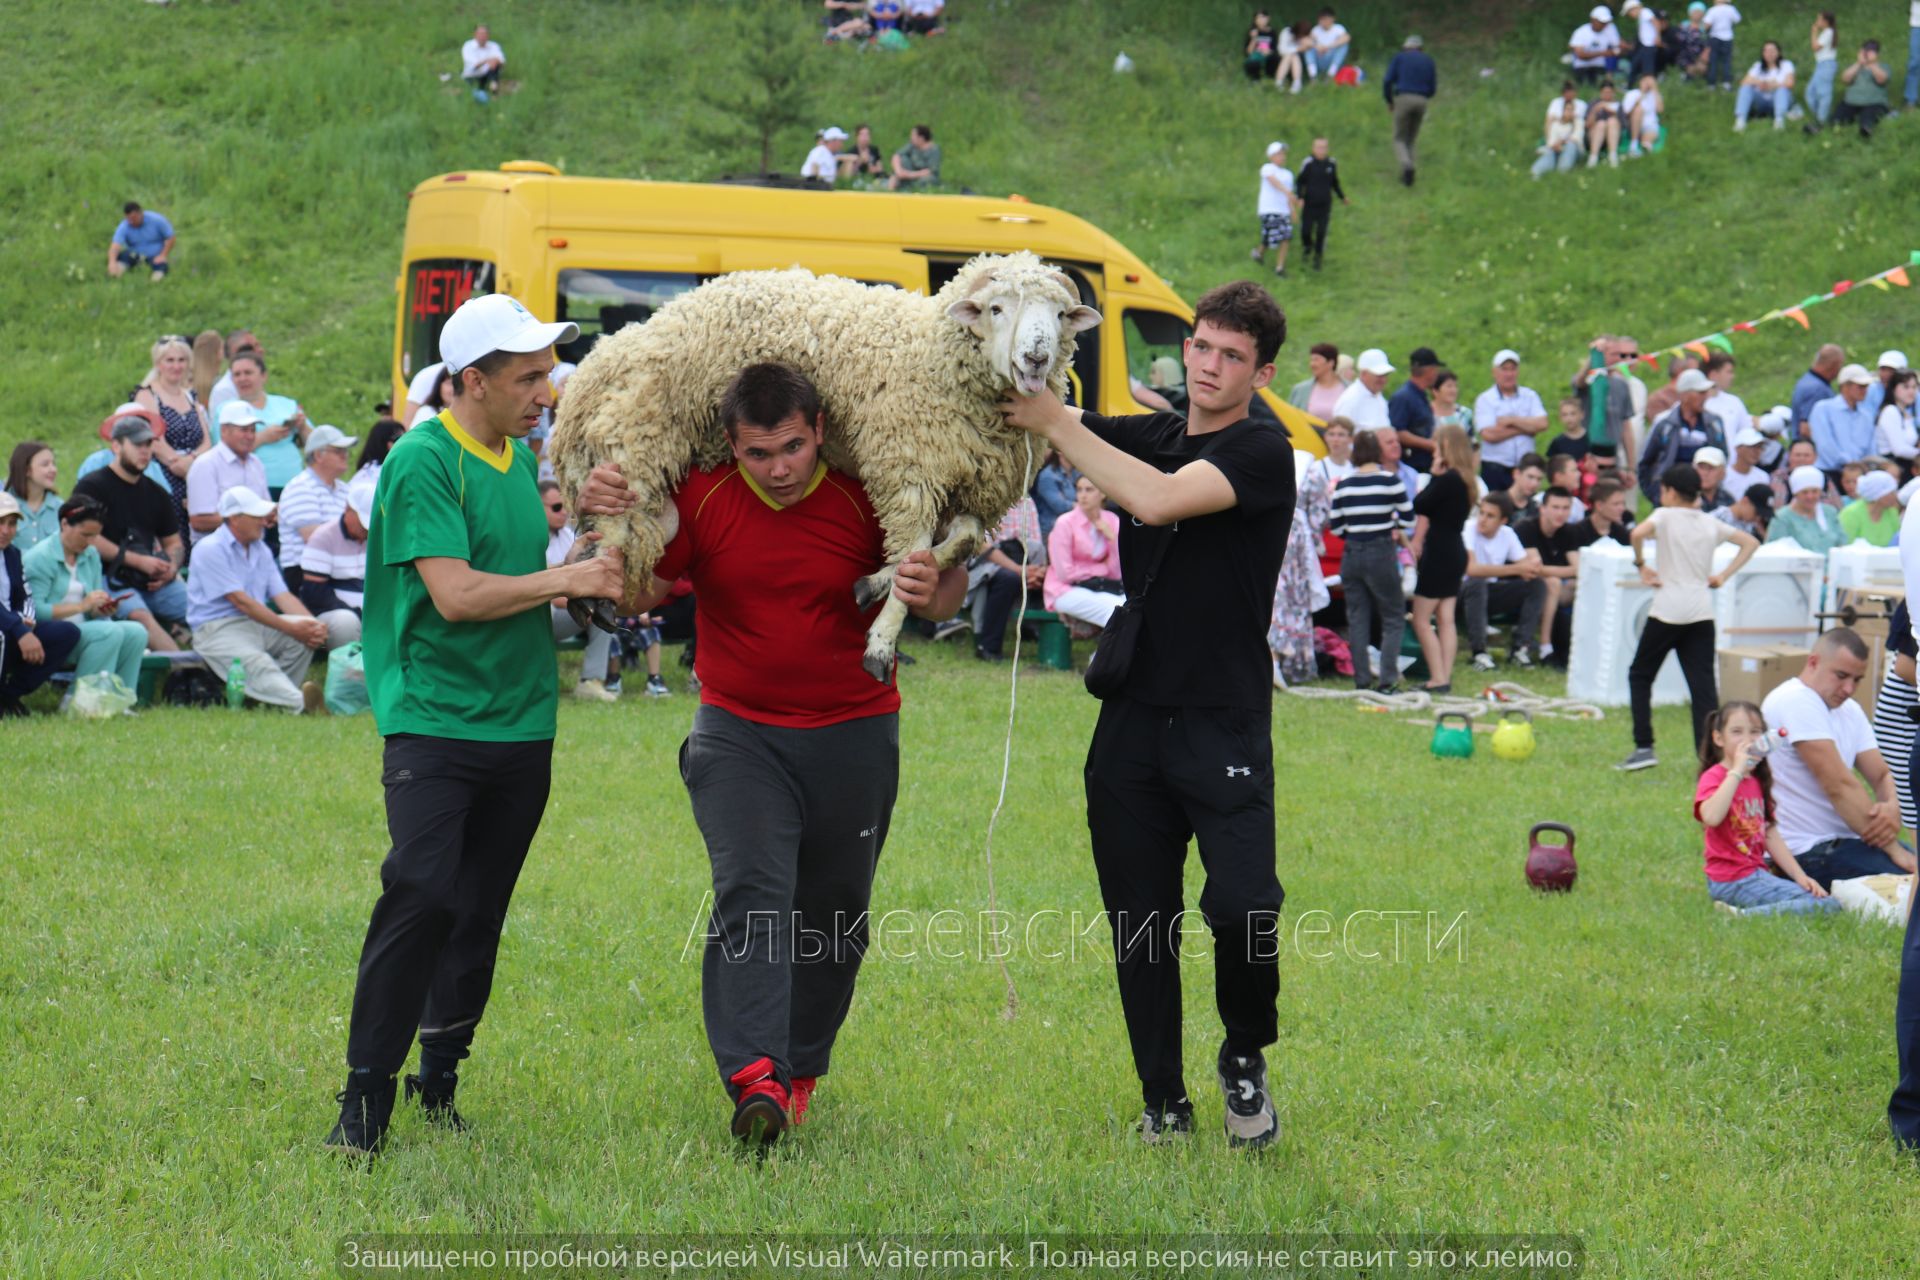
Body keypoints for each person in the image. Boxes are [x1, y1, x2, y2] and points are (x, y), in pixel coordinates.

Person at [577, 361, 967, 1150]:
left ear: (820, 431)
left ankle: (799, 1070)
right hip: (737, 733)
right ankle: (754, 1076)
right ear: (731, 446)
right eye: (759, 454)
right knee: (752, 894)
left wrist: (933, 586)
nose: (780, 468)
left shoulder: (868, 495)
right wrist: (604, 527)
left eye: (792, 447)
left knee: (834, 917)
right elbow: (639, 590)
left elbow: (946, 597)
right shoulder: (705, 496)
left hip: (856, 729)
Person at [995, 280, 1294, 1147]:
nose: (1209, 365)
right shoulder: (1157, 432)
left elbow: (1157, 498)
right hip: (1130, 724)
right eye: (1201, 346)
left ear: (1261, 372)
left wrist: (1059, 423)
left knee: (1244, 909)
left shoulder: (1264, 452)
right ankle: (1161, 1096)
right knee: (1139, 918)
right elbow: (1054, 436)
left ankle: (1243, 1055)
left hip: (1222, 720)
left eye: (1231, 356)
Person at [327, 293, 621, 1155]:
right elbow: (455, 597)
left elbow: (525, 575)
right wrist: (566, 583)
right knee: (420, 893)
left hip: (523, 724)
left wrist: (590, 548)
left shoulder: (519, 455)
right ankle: (364, 1097)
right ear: (471, 381)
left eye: (548, 372)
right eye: (528, 376)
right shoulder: (424, 460)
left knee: (480, 910)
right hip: (435, 721)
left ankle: (439, 1079)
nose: (547, 390)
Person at [1618, 465, 1759, 770]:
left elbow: (1636, 532)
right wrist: (1722, 575)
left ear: (1669, 491)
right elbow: (1751, 543)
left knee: (1640, 676)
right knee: (1703, 689)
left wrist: (1642, 564)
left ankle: (1644, 746)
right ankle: (1710, 758)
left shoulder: (1665, 516)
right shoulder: (1709, 522)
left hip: (1667, 611)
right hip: (1700, 612)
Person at [1759, 629, 1916, 886]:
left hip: (1847, 842)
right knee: (1912, 885)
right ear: (1813, 662)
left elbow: (1883, 775)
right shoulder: (1795, 700)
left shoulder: (1849, 710)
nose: (1849, 689)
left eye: (1857, 680)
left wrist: (1892, 808)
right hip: (1804, 851)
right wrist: (1894, 849)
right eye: (1841, 676)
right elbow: (1839, 785)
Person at [185, 487, 328, 712]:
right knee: (257, 663)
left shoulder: (260, 549)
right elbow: (241, 602)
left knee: (303, 636)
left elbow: (282, 596)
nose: (263, 521)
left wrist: (312, 626)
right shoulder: (209, 549)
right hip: (216, 629)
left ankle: (273, 699)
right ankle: (300, 704)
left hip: (254, 624)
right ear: (235, 519)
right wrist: (291, 628)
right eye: (256, 517)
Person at [1694, 702, 1838, 916]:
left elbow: (1769, 833)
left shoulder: (1756, 781)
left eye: (1755, 732)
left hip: (1755, 874)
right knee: (1828, 906)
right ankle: (1741, 916)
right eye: (1736, 732)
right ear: (1718, 738)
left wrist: (1800, 877)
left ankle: (1744, 911)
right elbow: (1712, 817)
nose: (1748, 740)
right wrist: (1736, 772)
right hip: (1732, 879)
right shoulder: (1714, 777)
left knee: (1821, 899)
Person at [69, 415, 186, 651]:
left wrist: (171, 568)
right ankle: (187, 672)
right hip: (105, 577)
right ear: (116, 446)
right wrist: (138, 561)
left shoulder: (157, 493)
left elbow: (174, 542)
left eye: (148, 444)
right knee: (141, 617)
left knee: (204, 610)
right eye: (136, 444)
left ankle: (222, 668)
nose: (144, 451)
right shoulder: (92, 486)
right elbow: (86, 538)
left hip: (153, 580)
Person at [19, 494, 148, 696]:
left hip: (86, 629)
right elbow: (34, 612)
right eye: (84, 535)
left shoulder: (91, 555)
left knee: (136, 632)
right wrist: (81, 607)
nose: (90, 542)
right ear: (64, 524)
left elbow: (92, 607)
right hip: (52, 635)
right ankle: (80, 701)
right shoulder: (40, 558)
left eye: (95, 536)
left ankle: (120, 699)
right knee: (108, 632)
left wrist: (101, 608)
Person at [1329, 430, 1411, 692]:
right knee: (1393, 615)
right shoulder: (1390, 481)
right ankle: (1387, 679)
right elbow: (1409, 520)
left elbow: (1336, 527)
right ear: (1377, 452)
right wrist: (1392, 524)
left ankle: (1361, 679)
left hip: (1351, 553)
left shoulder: (1343, 484)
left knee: (1357, 617)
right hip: (1380, 551)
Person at [0, 493, 81, 717]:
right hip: (6, 630)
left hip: (13, 625)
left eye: (12, 523)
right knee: (3, 636)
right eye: (1, 523)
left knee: (66, 633)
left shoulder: (12, 554)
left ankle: (8, 696)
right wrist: (18, 627)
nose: (6, 530)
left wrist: (27, 622)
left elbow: (26, 595)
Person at [538, 479, 619, 700]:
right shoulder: (532, 537)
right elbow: (547, 592)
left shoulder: (569, 536)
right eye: (556, 507)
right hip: (539, 613)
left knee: (604, 615)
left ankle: (590, 681)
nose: (563, 512)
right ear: (537, 506)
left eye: (565, 505)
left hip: (565, 610)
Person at [1410, 424, 1476, 693]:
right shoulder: (1466, 479)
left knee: (1421, 618)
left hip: (1439, 551)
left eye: (1438, 445)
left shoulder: (1447, 479)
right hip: (1455, 549)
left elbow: (1420, 504)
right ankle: (1444, 676)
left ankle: (1437, 678)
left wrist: (1434, 475)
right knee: (1445, 616)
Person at [134, 336, 212, 542]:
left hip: (194, 470)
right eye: (170, 360)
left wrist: (192, 462)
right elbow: (154, 438)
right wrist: (175, 463)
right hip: (163, 473)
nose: (176, 366)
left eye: (181, 360)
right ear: (159, 364)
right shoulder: (147, 395)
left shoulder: (190, 397)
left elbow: (206, 440)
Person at [1461, 492, 1546, 670]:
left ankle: (1520, 649)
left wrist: (1533, 566)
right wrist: (1516, 569)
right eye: (1481, 513)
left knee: (1537, 585)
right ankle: (1479, 652)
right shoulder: (1469, 528)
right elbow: (1472, 569)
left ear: (1503, 521)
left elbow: (1527, 569)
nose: (1482, 519)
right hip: (1461, 593)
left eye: (1490, 516)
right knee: (1477, 582)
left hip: (1490, 592)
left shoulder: (1507, 534)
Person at [963, 493, 1047, 661]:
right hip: (985, 563)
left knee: (1044, 577)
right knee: (1008, 579)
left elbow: (1036, 544)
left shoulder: (1027, 501)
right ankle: (988, 646)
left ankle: (1030, 629)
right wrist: (1019, 570)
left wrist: (1036, 571)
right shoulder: (984, 495)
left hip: (1023, 560)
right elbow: (981, 546)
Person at [1044, 475, 1125, 631]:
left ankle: (1102, 655)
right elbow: (1064, 574)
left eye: (1089, 490)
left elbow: (1116, 573)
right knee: (1114, 611)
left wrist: (1112, 539)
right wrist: (1100, 569)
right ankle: (1103, 656)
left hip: (1101, 587)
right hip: (1063, 590)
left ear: (1103, 494)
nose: (1083, 495)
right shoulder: (1065, 522)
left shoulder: (1112, 520)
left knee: (1130, 608)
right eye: (1079, 489)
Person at [185, 401, 271, 545]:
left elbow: (265, 508)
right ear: (224, 431)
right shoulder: (206, 464)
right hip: (215, 551)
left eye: (253, 430)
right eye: (244, 430)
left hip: (254, 548)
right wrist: (249, 520)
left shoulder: (256, 463)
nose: (250, 436)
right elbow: (199, 521)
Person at [222, 351, 308, 495]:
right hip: (253, 486)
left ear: (263, 376)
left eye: (248, 373)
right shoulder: (226, 410)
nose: (242, 379)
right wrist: (263, 437)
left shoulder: (287, 404)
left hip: (295, 482)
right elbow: (224, 453)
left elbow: (316, 445)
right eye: (237, 374)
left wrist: (302, 427)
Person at [1636, 369, 1725, 504]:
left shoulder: (1714, 423)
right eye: (1700, 392)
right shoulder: (1665, 424)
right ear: (1685, 395)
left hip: (1703, 497)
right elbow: (1645, 462)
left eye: (1706, 392)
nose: (1705, 397)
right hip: (1672, 497)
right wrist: (1655, 495)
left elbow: (1723, 457)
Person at [1517, 486, 1583, 665]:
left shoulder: (1569, 531)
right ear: (1542, 508)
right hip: (1523, 586)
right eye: (1555, 507)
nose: (1560, 513)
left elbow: (1578, 569)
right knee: (1553, 583)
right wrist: (1561, 572)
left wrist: (1549, 570)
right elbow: (1534, 568)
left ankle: (1584, 649)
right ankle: (1545, 647)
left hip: (1556, 590)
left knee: (1581, 585)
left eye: (1565, 508)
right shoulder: (1526, 528)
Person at [277, 426, 357, 572]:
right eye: (339, 451)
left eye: (345, 451)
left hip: (337, 568)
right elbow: (313, 537)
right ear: (319, 455)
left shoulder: (345, 489)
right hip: (305, 571)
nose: (345, 455)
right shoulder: (300, 487)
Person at [1474, 350, 1548, 495]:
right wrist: (1526, 428)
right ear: (1494, 372)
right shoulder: (1485, 399)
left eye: (1513, 369)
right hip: (1495, 468)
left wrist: (1512, 421)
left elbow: (1542, 423)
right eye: (1504, 369)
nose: (1509, 374)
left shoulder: (1530, 396)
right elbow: (1489, 434)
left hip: (1524, 468)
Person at [1810, 363, 1880, 482]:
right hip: (1831, 473)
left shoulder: (1866, 414)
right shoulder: (1823, 408)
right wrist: (1850, 464)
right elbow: (1825, 445)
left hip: (1861, 473)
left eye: (1866, 386)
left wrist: (1866, 465)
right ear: (1845, 386)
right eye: (1860, 386)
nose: (1865, 390)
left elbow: (1871, 447)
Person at [1382, 34, 1436, 186]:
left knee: (1399, 138)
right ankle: (1408, 177)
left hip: (1403, 98)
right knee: (1411, 138)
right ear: (1421, 48)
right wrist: (1425, 96)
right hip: (1422, 100)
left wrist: (1389, 100)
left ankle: (1407, 166)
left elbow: (1387, 80)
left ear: (1406, 47)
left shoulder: (1400, 58)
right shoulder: (1428, 60)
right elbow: (1433, 86)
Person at [1294, 138, 1349, 270]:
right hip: (1309, 204)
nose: (1321, 150)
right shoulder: (1308, 163)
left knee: (1321, 232)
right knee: (1305, 231)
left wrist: (1342, 197)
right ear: (1313, 148)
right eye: (1319, 147)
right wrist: (1300, 197)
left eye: (1324, 147)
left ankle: (1318, 258)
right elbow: (1300, 181)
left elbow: (1335, 182)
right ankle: (1307, 247)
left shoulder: (1331, 164)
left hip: (1324, 205)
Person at [1768, 465, 1845, 554]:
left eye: (1814, 491)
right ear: (1796, 493)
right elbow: (1775, 550)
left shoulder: (1830, 512)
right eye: (1805, 492)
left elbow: (1841, 543)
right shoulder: (1782, 517)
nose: (1810, 496)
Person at [1251, 142, 1300, 278]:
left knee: (1286, 237)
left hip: (1283, 210)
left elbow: (1290, 194)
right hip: (1269, 209)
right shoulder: (1267, 168)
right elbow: (1273, 181)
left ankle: (1280, 267)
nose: (1282, 157)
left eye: (1283, 154)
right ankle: (1259, 253)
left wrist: (1293, 211)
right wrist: (1287, 192)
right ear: (1271, 156)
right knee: (1270, 237)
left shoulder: (1288, 174)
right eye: (1278, 154)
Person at [4, 441, 61, 557]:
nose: (53, 469)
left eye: (53, 464)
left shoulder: (60, 508)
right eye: (45, 465)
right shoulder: (4, 506)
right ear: (26, 470)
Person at [1388, 347, 1440, 472]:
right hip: (1412, 465)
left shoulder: (1419, 395)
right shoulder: (1403, 397)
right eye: (1435, 369)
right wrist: (1429, 444)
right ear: (1429, 370)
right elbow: (1398, 432)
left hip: (1424, 463)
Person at [1834, 38, 1891, 138]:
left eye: (1871, 51)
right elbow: (1845, 79)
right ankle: (1821, 128)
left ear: (1877, 54)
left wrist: (1871, 64)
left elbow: (1882, 79)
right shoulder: (1854, 67)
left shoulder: (1883, 66)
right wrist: (1859, 63)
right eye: (1866, 50)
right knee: (1837, 117)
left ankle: (1866, 130)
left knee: (1868, 117)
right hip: (1851, 102)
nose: (1867, 53)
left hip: (1874, 102)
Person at [1734, 40, 1795, 130]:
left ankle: (1779, 120)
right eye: (1766, 51)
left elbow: (1790, 83)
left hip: (1778, 98)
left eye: (1772, 51)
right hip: (1761, 99)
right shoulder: (1757, 66)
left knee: (1782, 89)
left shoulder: (1786, 65)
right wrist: (1759, 83)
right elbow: (1744, 82)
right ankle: (1740, 120)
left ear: (1778, 52)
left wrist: (1774, 85)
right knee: (1745, 88)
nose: (1769, 53)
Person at [107, 202, 174, 280]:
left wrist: (163, 255)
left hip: (154, 256)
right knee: (122, 259)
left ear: (141, 213)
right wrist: (112, 262)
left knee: (160, 269)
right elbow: (115, 245)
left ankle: (154, 283)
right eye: (128, 219)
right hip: (134, 254)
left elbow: (171, 237)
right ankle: (115, 275)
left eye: (134, 218)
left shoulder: (157, 220)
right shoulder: (124, 226)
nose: (131, 222)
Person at [1532, 84, 1588, 177]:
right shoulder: (1556, 125)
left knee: (1570, 146)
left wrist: (1561, 142)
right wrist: (1555, 146)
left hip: (1574, 150)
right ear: (1563, 111)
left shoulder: (1579, 122)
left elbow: (1576, 138)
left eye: (1571, 110)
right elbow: (1551, 142)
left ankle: (1562, 172)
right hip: (1558, 150)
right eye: (1567, 110)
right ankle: (1536, 172)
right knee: (1551, 152)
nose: (1569, 112)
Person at [1332, 348, 1392, 430]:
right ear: (1364, 374)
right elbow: (1341, 436)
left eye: (1385, 375)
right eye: (1379, 375)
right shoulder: (1350, 400)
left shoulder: (1378, 397)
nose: (1383, 380)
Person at [1302, 415, 1355, 504]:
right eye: (1331, 434)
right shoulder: (1316, 468)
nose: (1335, 439)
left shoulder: (1354, 470)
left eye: (1341, 435)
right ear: (1326, 437)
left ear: (1350, 439)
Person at [1840, 470, 1902, 546]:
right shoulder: (1851, 513)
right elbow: (1844, 546)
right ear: (1878, 494)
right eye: (1891, 492)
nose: (1895, 496)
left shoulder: (1892, 512)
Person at [1876, 370, 1920, 471]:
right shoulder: (1890, 411)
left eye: (1914, 387)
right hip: (1894, 468)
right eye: (1906, 387)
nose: (1911, 391)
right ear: (1893, 388)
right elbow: (1899, 450)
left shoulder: (1907, 413)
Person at [1289, 343, 1345, 421]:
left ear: (1330, 363)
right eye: (1311, 360)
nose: (1312, 364)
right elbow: (1290, 419)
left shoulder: (1349, 389)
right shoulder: (1300, 390)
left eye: (1316, 360)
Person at [1803, 12, 1838, 129]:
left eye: (1819, 19)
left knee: (1823, 93)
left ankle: (1821, 121)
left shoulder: (1829, 32)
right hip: (1821, 65)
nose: (1817, 21)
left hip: (1826, 65)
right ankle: (1820, 116)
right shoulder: (1826, 32)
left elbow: (1815, 47)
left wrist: (1813, 32)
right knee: (1810, 92)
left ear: (1826, 21)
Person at [1574, 476, 1635, 546]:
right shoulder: (1578, 533)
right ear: (1599, 505)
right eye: (1616, 504)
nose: (1622, 508)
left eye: (1623, 503)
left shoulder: (1622, 534)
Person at [1570, 7, 1624, 84]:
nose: (1604, 25)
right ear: (1593, 19)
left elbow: (1617, 47)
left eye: (1606, 23)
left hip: (1600, 67)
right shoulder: (1581, 32)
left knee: (1612, 54)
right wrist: (1603, 53)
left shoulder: (1609, 29)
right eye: (1602, 22)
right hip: (1582, 67)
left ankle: (1609, 79)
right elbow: (1580, 55)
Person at [1585, 80, 1626, 167]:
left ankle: (1612, 156)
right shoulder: (1594, 103)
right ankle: (1593, 157)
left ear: (1613, 92)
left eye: (1609, 92)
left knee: (1612, 121)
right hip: (1595, 135)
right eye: (1604, 92)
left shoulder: (1618, 104)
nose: (1607, 95)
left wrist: (1611, 111)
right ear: (1600, 92)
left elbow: (1623, 125)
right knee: (1601, 123)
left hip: (1614, 136)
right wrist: (1595, 110)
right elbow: (1587, 125)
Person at [887, 124, 941, 191]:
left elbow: (929, 171)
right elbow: (896, 155)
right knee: (903, 159)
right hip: (910, 173)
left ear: (921, 138)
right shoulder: (912, 146)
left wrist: (910, 174)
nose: (911, 138)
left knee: (925, 181)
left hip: (922, 177)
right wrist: (899, 171)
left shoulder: (934, 150)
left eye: (913, 136)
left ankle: (908, 188)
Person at [1702, 0, 1741, 89]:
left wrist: (1704, 32)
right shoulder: (1731, 9)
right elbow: (1737, 19)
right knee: (1727, 60)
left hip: (1715, 38)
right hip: (1728, 38)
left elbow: (1707, 25)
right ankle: (1726, 82)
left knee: (1713, 60)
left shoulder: (1712, 10)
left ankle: (1711, 83)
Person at [1622, 73, 1664, 155]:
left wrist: (1655, 89)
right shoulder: (1632, 94)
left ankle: (1645, 147)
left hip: (1650, 126)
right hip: (1633, 124)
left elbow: (1660, 110)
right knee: (1638, 110)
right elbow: (1626, 113)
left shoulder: (1655, 95)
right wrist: (1641, 96)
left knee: (1647, 142)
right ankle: (1633, 144)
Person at [460, 24, 505, 99]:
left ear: (488, 35)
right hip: (472, 76)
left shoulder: (494, 46)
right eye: (480, 34)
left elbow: (501, 61)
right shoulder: (468, 46)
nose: (482, 36)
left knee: (495, 67)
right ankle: (490, 92)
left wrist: (494, 61)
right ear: (475, 35)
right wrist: (488, 61)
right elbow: (475, 65)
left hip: (487, 75)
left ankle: (494, 92)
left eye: (484, 34)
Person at [1306, 8, 1351, 81]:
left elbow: (1346, 38)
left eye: (1325, 19)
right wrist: (1316, 46)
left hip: (1332, 58)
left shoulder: (1338, 28)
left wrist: (1328, 47)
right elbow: (1306, 41)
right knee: (1308, 48)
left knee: (1344, 46)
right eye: (1321, 19)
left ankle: (1330, 76)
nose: (1323, 22)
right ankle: (1313, 77)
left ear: (1332, 19)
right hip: (1319, 58)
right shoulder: (1316, 29)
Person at [1430, 368, 1472, 445]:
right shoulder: (1425, 412)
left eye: (1455, 386)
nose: (1454, 390)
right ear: (1435, 391)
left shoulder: (1464, 413)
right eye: (1449, 386)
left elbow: (1472, 442)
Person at [1503, 453, 1547, 525]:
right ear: (1516, 474)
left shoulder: (1537, 510)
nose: (1534, 484)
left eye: (1539, 479)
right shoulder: (1497, 504)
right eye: (1530, 477)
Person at [1244, 11, 1281, 81]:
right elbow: (1248, 52)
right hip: (1256, 55)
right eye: (1258, 18)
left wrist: (1269, 52)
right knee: (1252, 62)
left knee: (1274, 59)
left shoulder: (1272, 32)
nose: (1261, 21)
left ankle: (1270, 77)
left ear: (1268, 19)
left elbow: (1275, 48)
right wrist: (1254, 38)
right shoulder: (1252, 32)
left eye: (1263, 18)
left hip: (1269, 55)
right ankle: (1255, 79)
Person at [1692, 445, 1730, 512]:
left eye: (1711, 468)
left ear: (1723, 473)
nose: (1705, 473)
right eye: (1701, 467)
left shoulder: (1728, 500)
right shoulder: (1684, 498)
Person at [1274, 20, 1308, 92]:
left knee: (1293, 56)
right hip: (1283, 58)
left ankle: (1279, 81)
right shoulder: (1286, 33)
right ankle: (1297, 82)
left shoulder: (1306, 37)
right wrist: (1297, 49)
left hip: (1300, 59)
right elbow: (1281, 50)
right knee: (1291, 55)